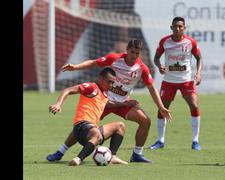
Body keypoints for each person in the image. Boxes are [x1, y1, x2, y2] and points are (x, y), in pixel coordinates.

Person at [47, 39, 172, 163]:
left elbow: (152, 88)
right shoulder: (114, 58)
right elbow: (94, 63)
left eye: (137, 53)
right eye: (132, 52)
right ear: (127, 50)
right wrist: (75, 67)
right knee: (84, 124)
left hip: (123, 103)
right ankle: (61, 152)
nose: (134, 56)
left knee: (145, 120)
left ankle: (137, 154)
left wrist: (161, 107)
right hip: (103, 101)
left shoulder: (142, 68)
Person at [48, 67, 128, 166]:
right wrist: (58, 104)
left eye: (113, 83)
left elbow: (107, 104)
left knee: (120, 126)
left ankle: (112, 157)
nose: (111, 85)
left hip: (88, 130)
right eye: (109, 82)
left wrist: (124, 104)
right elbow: (68, 90)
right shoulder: (91, 87)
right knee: (96, 134)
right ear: (101, 79)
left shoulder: (105, 94)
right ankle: (78, 158)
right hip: (82, 125)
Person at [149, 16, 203, 150]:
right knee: (162, 108)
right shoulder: (164, 42)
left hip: (186, 80)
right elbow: (156, 58)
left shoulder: (191, 42)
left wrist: (198, 73)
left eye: (180, 26)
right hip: (169, 80)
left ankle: (195, 141)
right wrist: (159, 65)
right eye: (175, 26)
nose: (177, 28)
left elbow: (199, 58)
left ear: (184, 28)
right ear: (171, 28)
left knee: (194, 105)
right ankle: (160, 140)